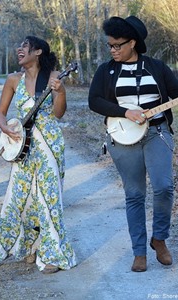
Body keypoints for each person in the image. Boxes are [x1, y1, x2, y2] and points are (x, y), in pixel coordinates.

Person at [88, 16, 178, 272]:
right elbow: (94, 101)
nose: (113, 50)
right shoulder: (107, 70)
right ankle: (139, 252)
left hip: (156, 133)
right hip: (121, 137)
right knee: (135, 195)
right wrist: (124, 112)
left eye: (118, 45)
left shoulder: (157, 67)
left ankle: (159, 239)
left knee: (164, 187)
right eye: (110, 45)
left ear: (133, 43)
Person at [0, 36, 77, 274]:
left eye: (25, 45)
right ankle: (30, 245)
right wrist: (6, 128)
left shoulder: (54, 77)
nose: (19, 49)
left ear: (38, 51)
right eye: (18, 45)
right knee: (22, 198)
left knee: (49, 198)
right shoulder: (13, 80)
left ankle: (52, 254)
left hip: (49, 144)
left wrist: (60, 92)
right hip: (23, 147)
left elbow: (59, 113)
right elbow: (0, 114)